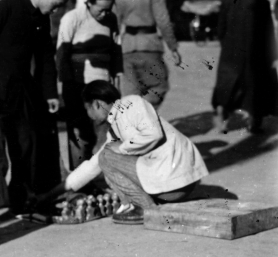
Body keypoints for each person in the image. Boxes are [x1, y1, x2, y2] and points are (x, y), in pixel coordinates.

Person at [0, 0, 66, 218]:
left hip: (22, 92)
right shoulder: (4, 9)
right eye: (55, 5)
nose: (55, 11)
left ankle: (20, 202)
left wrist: (50, 94)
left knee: (25, 146)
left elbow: (46, 58)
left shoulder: (41, 19)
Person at [63, 84, 208, 223]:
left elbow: (153, 134)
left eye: (88, 109)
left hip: (176, 184)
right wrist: (62, 189)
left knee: (107, 155)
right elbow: (93, 166)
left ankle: (143, 207)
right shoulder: (116, 125)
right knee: (106, 156)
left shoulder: (131, 103)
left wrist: (122, 148)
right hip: (176, 185)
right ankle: (145, 201)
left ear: (96, 104)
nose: (90, 115)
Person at [56, 0, 124, 165]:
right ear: (89, 3)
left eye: (108, 10)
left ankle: (98, 171)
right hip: (77, 84)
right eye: (101, 10)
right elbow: (62, 53)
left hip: (102, 85)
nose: (104, 14)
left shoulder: (111, 19)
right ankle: (80, 174)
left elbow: (116, 50)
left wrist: (116, 79)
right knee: (79, 131)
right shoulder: (73, 18)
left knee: (103, 128)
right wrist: (67, 84)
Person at [211, 0, 278, 135]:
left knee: (227, 84)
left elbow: (220, 28)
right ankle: (254, 122)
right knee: (255, 87)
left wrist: (226, 45)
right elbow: (268, 32)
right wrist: (273, 55)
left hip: (230, 51)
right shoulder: (261, 2)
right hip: (253, 53)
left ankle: (222, 114)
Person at [114, 0, 182, 106]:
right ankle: (144, 113)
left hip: (127, 46)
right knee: (159, 86)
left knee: (131, 92)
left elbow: (115, 23)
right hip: (150, 46)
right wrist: (173, 48)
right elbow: (163, 22)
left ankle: (135, 119)